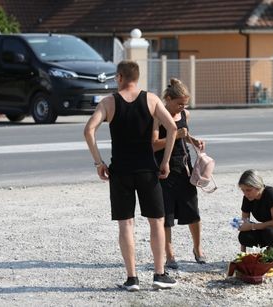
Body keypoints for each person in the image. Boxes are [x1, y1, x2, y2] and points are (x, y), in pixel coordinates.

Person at [84, 60, 178, 292]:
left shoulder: (108, 102)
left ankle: (132, 278)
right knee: (156, 221)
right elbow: (173, 128)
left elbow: (88, 130)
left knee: (126, 224)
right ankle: (159, 274)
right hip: (147, 170)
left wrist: (99, 162)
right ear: (137, 77)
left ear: (119, 77)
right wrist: (164, 162)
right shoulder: (151, 99)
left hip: (120, 172)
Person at [152, 78, 206, 270]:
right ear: (168, 98)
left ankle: (198, 249)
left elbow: (184, 133)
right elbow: (154, 144)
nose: (182, 107)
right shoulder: (158, 115)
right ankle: (169, 254)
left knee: (193, 211)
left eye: (185, 104)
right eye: (179, 103)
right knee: (166, 214)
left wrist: (193, 141)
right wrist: (174, 136)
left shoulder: (185, 114)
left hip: (185, 168)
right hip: (164, 170)